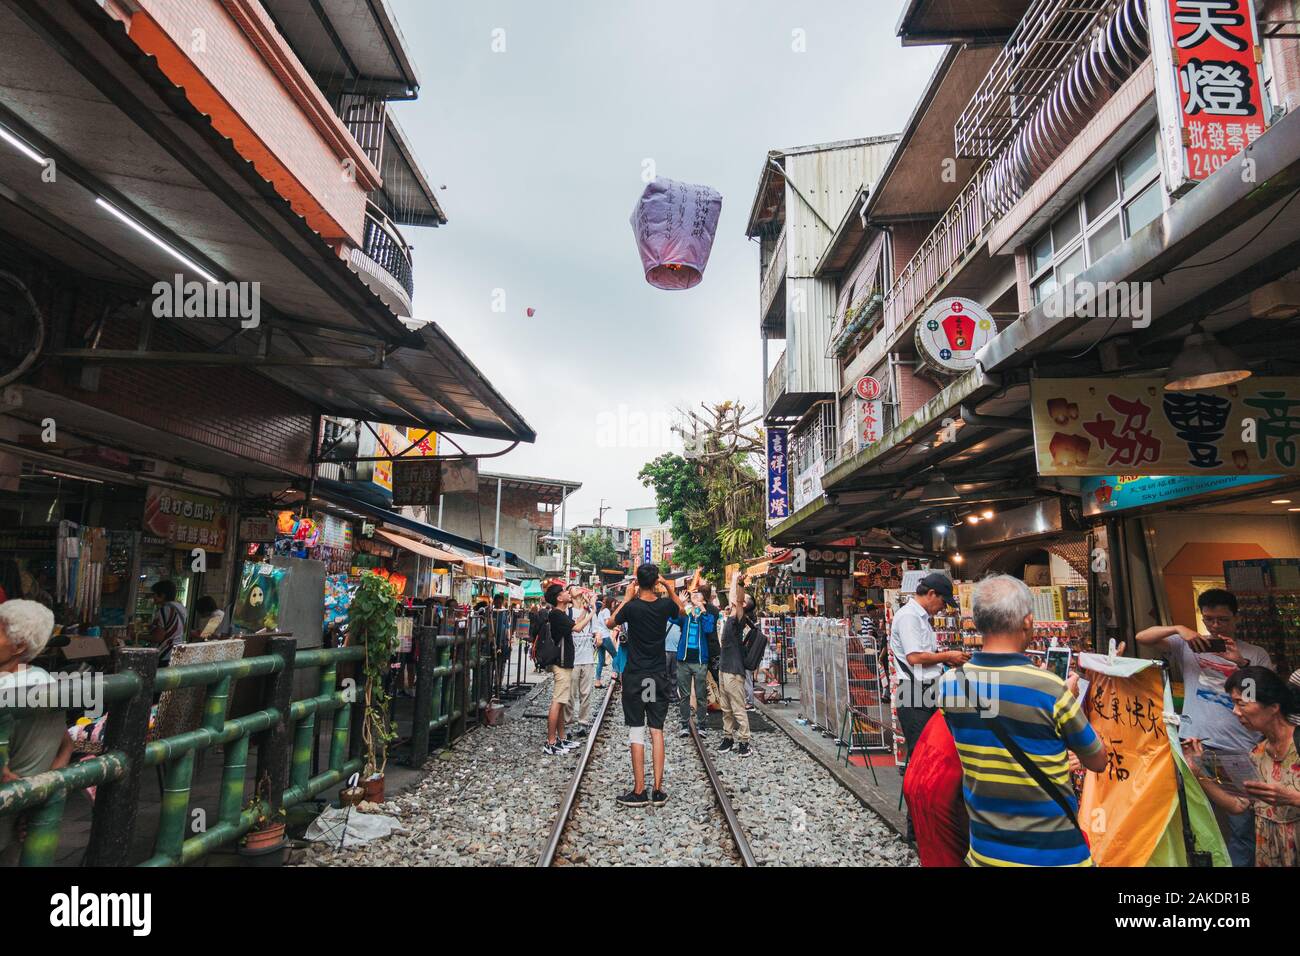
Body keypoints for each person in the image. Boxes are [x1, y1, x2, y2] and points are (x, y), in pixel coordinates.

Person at [938, 575, 1108, 867]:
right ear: (1028, 621)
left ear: (977, 622)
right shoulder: (1050, 688)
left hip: (986, 852)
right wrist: (1068, 700)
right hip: (1056, 855)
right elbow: (1097, 760)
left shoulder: (949, 685)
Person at [1135, 587, 1272, 866]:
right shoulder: (1188, 645)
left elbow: (1266, 697)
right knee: (1193, 818)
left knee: (1241, 824)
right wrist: (1179, 628)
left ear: (1236, 618)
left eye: (1223, 619)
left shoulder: (1255, 655)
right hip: (1194, 745)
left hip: (1240, 748)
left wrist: (1240, 664)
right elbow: (1142, 637)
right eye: (1209, 619)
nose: (1216, 626)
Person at [1186, 666, 1300, 867]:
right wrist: (1198, 772)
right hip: (1270, 853)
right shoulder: (1256, 753)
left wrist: (1291, 798)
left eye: (1241, 703)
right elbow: (1238, 805)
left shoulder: (1297, 743)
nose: (1235, 711)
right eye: (1233, 703)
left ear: (1273, 706)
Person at [888, 573, 968, 840]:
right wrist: (948, 656)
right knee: (922, 762)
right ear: (931, 594)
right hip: (915, 694)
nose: (942, 609)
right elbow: (915, 657)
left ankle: (925, 825)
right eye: (943, 602)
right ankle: (917, 829)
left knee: (928, 760)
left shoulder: (919, 617)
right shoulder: (910, 617)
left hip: (926, 692)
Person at [0, 600, 74, 865]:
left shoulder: (16, 686)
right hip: (22, 807)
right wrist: (40, 791)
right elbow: (67, 744)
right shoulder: (43, 678)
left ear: (19, 646)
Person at [606, 563, 683, 807]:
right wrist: (669, 589)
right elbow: (682, 611)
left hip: (636, 676)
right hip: (657, 675)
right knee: (657, 730)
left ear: (637, 583)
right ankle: (658, 790)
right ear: (656, 581)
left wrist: (627, 598)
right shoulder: (664, 606)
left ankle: (639, 790)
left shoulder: (632, 608)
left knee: (636, 731)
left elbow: (609, 623)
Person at [539, 583, 589, 756]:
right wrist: (593, 614)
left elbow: (574, 623)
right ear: (559, 598)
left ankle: (560, 737)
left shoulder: (560, 614)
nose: (568, 593)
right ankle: (550, 742)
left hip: (564, 662)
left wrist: (586, 610)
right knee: (557, 702)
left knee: (561, 702)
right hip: (561, 663)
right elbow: (577, 628)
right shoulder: (556, 614)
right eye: (565, 592)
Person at [717, 572, 756, 756]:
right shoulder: (731, 616)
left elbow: (737, 598)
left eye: (742, 599)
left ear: (745, 604)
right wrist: (733, 581)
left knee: (737, 708)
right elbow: (735, 598)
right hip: (724, 667)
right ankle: (728, 737)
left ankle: (744, 741)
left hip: (733, 669)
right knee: (725, 707)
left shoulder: (739, 617)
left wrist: (736, 581)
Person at [674, 584, 717, 738]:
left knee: (701, 695)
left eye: (698, 594)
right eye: (694, 594)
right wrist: (680, 603)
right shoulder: (685, 614)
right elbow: (673, 618)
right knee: (684, 695)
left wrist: (702, 609)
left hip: (700, 661)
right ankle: (684, 724)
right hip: (684, 660)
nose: (695, 596)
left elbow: (708, 629)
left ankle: (702, 725)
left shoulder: (707, 615)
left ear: (704, 599)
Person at [567, 590, 597, 734]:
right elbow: (576, 625)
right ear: (570, 595)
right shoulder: (568, 612)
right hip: (572, 659)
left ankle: (583, 723)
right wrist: (588, 609)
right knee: (570, 694)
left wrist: (598, 637)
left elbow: (597, 631)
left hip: (587, 658)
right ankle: (567, 723)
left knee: (585, 693)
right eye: (575, 588)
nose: (580, 589)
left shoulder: (592, 612)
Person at [147, 579, 189, 667]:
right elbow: (183, 629)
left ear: (162, 595)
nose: (153, 597)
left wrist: (136, 635)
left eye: (154, 594)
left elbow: (158, 638)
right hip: (178, 652)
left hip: (164, 653)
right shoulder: (182, 608)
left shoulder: (164, 610)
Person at [594, 597, 619, 688]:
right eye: (613, 603)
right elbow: (607, 623)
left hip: (599, 637)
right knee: (615, 655)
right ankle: (614, 673)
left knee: (601, 661)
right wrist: (614, 627)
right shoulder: (607, 611)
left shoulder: (601, 610)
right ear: (610, 603)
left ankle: (597, 681)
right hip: (605, 636)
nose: (614, 605)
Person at [664, 615, 681, 701]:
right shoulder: (665, 620)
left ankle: (673, 694)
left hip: (674, 650)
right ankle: (668, 693)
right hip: (666, 650)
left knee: (674, 674)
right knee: (667, 673)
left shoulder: (680, 621)